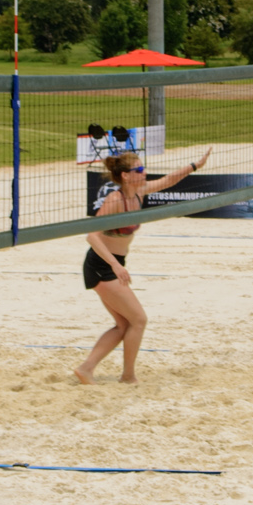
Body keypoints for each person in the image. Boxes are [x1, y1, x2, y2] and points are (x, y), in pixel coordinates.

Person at [73, 145, 210, 385]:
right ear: (126, 175)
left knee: (124, 324)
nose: (144, 172)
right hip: (101, 265)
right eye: (139, 169)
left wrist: (195, 165)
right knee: (139, 320)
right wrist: (116, 266)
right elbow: (91, 235)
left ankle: (86, 368)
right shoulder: (115, 200)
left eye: (143, 168)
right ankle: (128, 376)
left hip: (112, 264)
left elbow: (169, 180)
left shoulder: (139, 192)